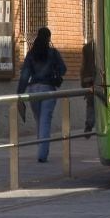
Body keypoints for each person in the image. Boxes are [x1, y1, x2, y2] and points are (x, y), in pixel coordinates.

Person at [16, 27, 67, 163]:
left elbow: (25, 75)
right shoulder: (53, 53)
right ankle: (42, 154)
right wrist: (55, 72)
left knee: (39, 120)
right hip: (48, 89)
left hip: (33, 90)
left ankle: (41, 149)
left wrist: (19, 94)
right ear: (49, 38)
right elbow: (63, 69)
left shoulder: (31, 54)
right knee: (45, 121)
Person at [81, 41, 96, 138]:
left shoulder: (87, 47)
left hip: (90, 80)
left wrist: (83, 81)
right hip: (98, 79)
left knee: (91, 104)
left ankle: (89, 125)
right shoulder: (109, 43)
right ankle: (89, 125)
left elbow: (84, 66)